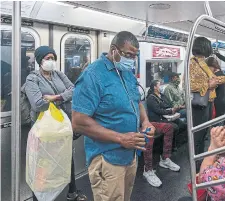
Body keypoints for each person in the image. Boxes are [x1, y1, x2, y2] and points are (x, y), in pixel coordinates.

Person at [72, 31, 155, 201]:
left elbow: (136, 101)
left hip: (130, 155)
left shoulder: (127, 73)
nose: (131, 60)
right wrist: (120, 138)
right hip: (107, 158)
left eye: (135, 56)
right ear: (113, 50)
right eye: (128, 54)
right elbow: (78, 122)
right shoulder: (93, 75)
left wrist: (145, 121)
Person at [24, 46, 87, 201]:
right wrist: (62, 96)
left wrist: (55, 97)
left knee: (67, 157)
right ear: (40, 61)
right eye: (47, 58)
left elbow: (74, 89)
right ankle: (38, 198)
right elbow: (38, 103)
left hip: (61, 126)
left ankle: (72, 192)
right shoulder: (32, 79)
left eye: (53, 58)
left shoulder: (58, 74)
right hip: (43, 128)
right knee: (42, 163)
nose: (51, 61)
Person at [189, 37, 225, 171]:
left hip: (208, 103)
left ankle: (202, 160)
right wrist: (207, 85)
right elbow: (189, 85)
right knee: (197, 137)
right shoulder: (192, 64)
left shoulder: (202, 63)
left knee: (203, 136)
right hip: (199, 106)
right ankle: (196, 165)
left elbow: (216, 79)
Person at [143, 121, 180, 187]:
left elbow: (144, 117)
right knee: (148, 134)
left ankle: (165, 159)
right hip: (130, 127)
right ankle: (147, 170)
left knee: (168, 127)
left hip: (143, 123)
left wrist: (147, 123)